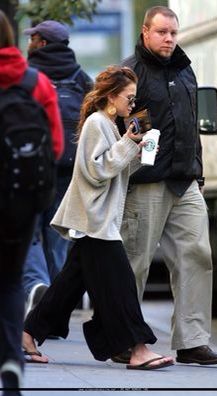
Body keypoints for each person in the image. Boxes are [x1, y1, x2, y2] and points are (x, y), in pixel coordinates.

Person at [23, 65, 174, 370]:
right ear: (112, 95)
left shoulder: (109, 125)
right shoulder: (96, 123)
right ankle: (138, 348)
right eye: (129, 99)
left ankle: (26, 335)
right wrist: (128, 144)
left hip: (99, 219)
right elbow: (96, 171)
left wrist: (138, 151)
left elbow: (113, 172)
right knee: (121, 286)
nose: (132, 105)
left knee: (67, 287)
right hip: (96, 220)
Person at [117, 5, 217, 365]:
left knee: (197, 256)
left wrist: (197, 170)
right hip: (146, 182)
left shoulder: (185, 71)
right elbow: (122, 127)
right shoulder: (130, 71)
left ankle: (192, 341)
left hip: (185, 181)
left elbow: (191, 122)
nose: (168, 39)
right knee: (136, 262)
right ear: (146, 32)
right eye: (162, 32)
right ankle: (124, 340)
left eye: (173, 33)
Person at [0, 10, 63, 394]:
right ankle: (10, 358)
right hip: (20, 202)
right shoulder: (35, 81)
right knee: (9, 284)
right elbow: (54, 146)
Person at [22, 20, 93, 316]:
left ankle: (38, 285)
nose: (29, 42)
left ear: (40, 42)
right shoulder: (81, 77)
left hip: (33, 163)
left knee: (29, 230)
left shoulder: (29, 75)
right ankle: (55, 308)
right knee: (58, 234)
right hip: (70, 165)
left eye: (32, 38)